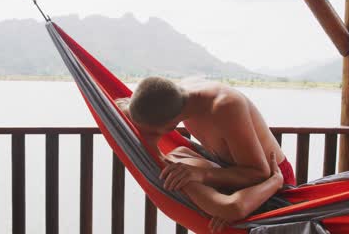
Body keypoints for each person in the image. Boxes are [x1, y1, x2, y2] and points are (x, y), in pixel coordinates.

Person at [116, 76, 294, 232]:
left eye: (152, 134)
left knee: (186, 174)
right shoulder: (176, 97)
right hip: (230, 170)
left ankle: (228, 205)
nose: (149, 140)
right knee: (178, 158)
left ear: (170, 127)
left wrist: (203, 176)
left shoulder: (225, 106)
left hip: (272, 180)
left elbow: (259, 173)